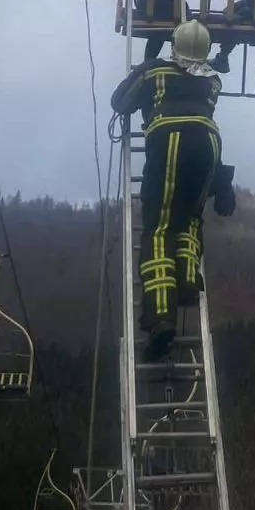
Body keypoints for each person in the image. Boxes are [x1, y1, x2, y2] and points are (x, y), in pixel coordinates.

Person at [110, 19, 225, 361]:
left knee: (159, 227)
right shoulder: (213, 81)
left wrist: (142, 72)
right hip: (209, 145)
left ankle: (161, 317)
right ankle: (187, 278)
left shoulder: (155, 72)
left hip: (171, 142)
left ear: (174, 45)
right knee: (190, 216)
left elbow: (120, 102)